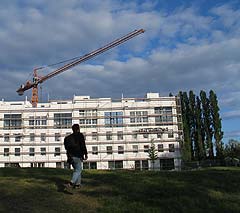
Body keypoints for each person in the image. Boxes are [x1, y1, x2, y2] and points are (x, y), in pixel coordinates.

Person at [64, 124, 88, 188]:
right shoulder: (80, 135)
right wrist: (85, 154)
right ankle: (71, 183)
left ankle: (77, 185)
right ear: (78, 129)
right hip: (77, 155)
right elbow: (83, 145)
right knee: (78, 170)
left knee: (77, 169)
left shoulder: (67, 138)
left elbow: (66, 148)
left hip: (70, 156)